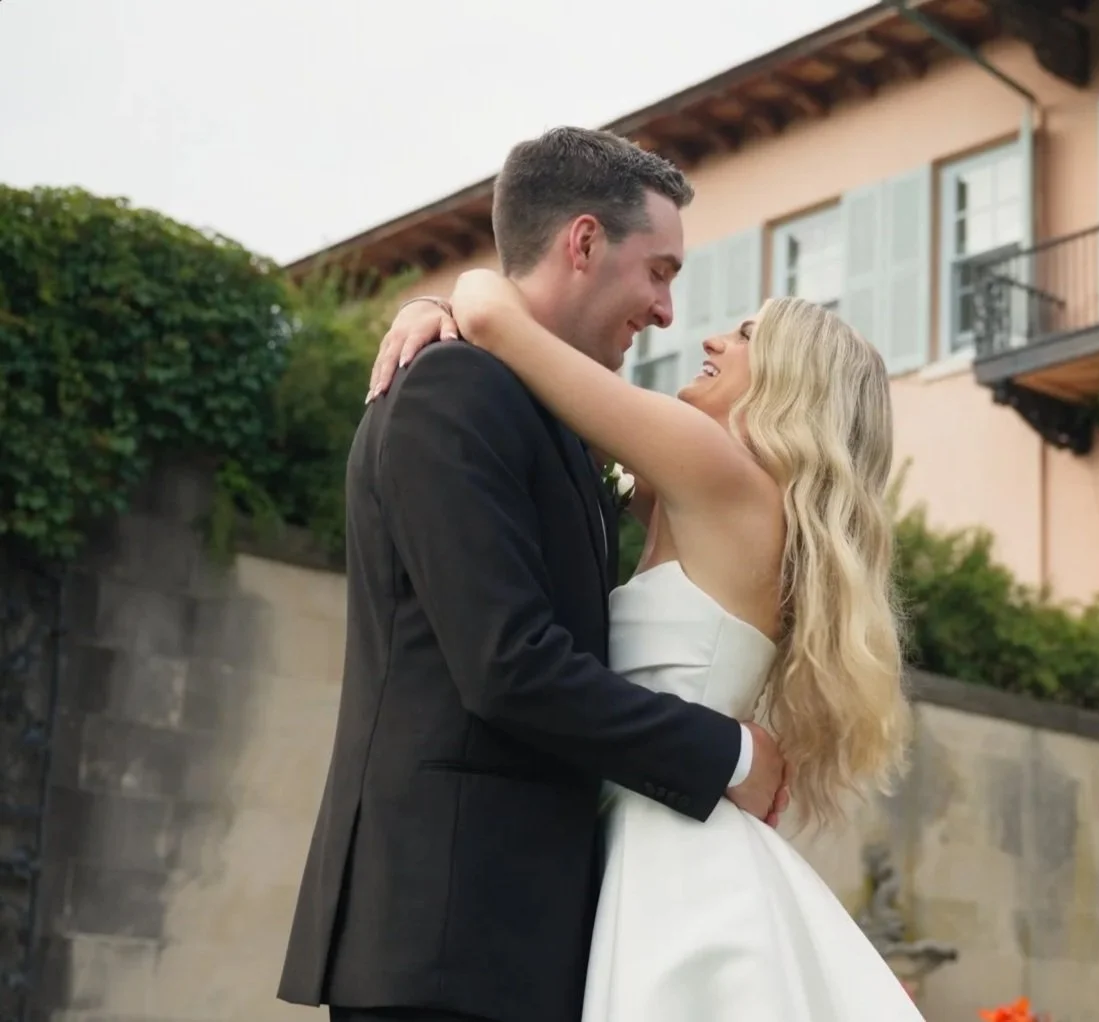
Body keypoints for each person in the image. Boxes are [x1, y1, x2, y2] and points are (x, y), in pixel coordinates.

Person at [358, 132, 923, 1020]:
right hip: (648, 834)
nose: (693, 328)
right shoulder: (700, 499)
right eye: (658, 274)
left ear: (786, 384)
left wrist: (454, 298)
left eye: (742, 335)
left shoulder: (718, 473)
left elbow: (506, 322)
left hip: (671, 851)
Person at [278, 127, 799, 1022]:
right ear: (586, 242)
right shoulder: (455, 391)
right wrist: (728, 755)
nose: (669, 312)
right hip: (447, 933)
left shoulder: (537, 410)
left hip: (518, 940)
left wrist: (455, 298)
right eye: (660, 272)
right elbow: (508, 665)